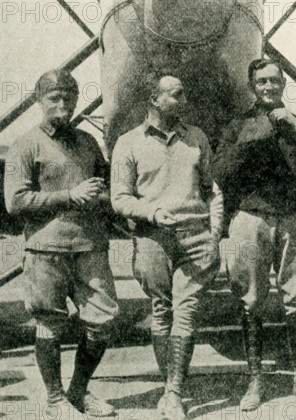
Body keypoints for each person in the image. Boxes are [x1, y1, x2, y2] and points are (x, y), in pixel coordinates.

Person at [211, 58, 296, 411]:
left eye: (274, 82)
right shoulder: (237, 126)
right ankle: (255, 380)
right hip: (251, 218)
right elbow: (219, 173)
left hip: (294, 219)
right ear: (252, 87)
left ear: (283, 85)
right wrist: (254, 136)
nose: (268, 87)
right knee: (250, 298)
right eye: (261, 82)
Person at [4, 69, 119, 418]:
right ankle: (55, 399)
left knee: (104, 319)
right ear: (40, 101)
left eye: (69, 97)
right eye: (54, 97)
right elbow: (15, 202)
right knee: (49, 323)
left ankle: (79, 392)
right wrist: (71, 195)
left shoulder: (88, 142)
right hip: (45, 251)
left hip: (90, 247)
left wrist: (103, 199)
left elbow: (106, 190)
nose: (63, 104)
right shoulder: (25, 145)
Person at [111, 73, 223, 420]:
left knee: (186, 311)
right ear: (154, 100)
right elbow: (119, 198)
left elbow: (212, 189)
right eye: (177, 95)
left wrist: (215, 232)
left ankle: (174, 393)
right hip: (151, 238)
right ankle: (169, 386)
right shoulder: (128, 143)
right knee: (161, 310)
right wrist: (152, 213)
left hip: (195, 237)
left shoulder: (197, 138)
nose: (184, 100)